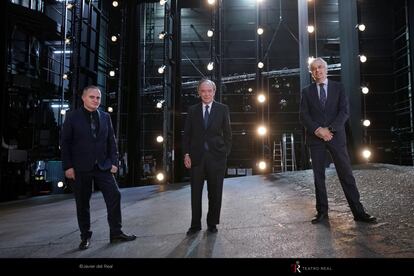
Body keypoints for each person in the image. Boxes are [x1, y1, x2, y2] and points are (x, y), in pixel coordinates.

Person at [299, 58, 376, 224]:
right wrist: (318, 130)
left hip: (335, 137)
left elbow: (344, 112)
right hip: (316, 138)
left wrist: (330, 130)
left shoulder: (338, 87)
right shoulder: (306, 91)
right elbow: (304, 116)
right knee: (318, 176)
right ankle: (322, 213)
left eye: (320, 67)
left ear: (326, 70)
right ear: (312, 73)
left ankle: (359, 212)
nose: (317, 71)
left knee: (346, 174)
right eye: (314, 69)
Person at [61, 85, 136, 250]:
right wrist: (68, 166)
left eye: (98, 98)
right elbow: (65, 143)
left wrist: (114, 162)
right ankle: (85, 237)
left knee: (115, 195)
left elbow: (111, 141)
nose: (95, 100)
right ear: (83, 97)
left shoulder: (105, 116)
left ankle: (116, 233)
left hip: (103, 166)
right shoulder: (72, 117)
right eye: (92, 97)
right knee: (82, 203)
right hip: (80, 167)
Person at [183, 78, 232, 235]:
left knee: (215, 192)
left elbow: (228, 134)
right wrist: (186, 154)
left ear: (214, 92)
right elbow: (187, 135)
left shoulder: (222, 109)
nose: (206, 94)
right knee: (195, 193)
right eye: (203, 91)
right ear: (199, 92)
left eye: (209, 91)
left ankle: (212, 223)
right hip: (196, 157)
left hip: (217, 157)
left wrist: (225, 154)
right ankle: (195, 225)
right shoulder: (192, 110)